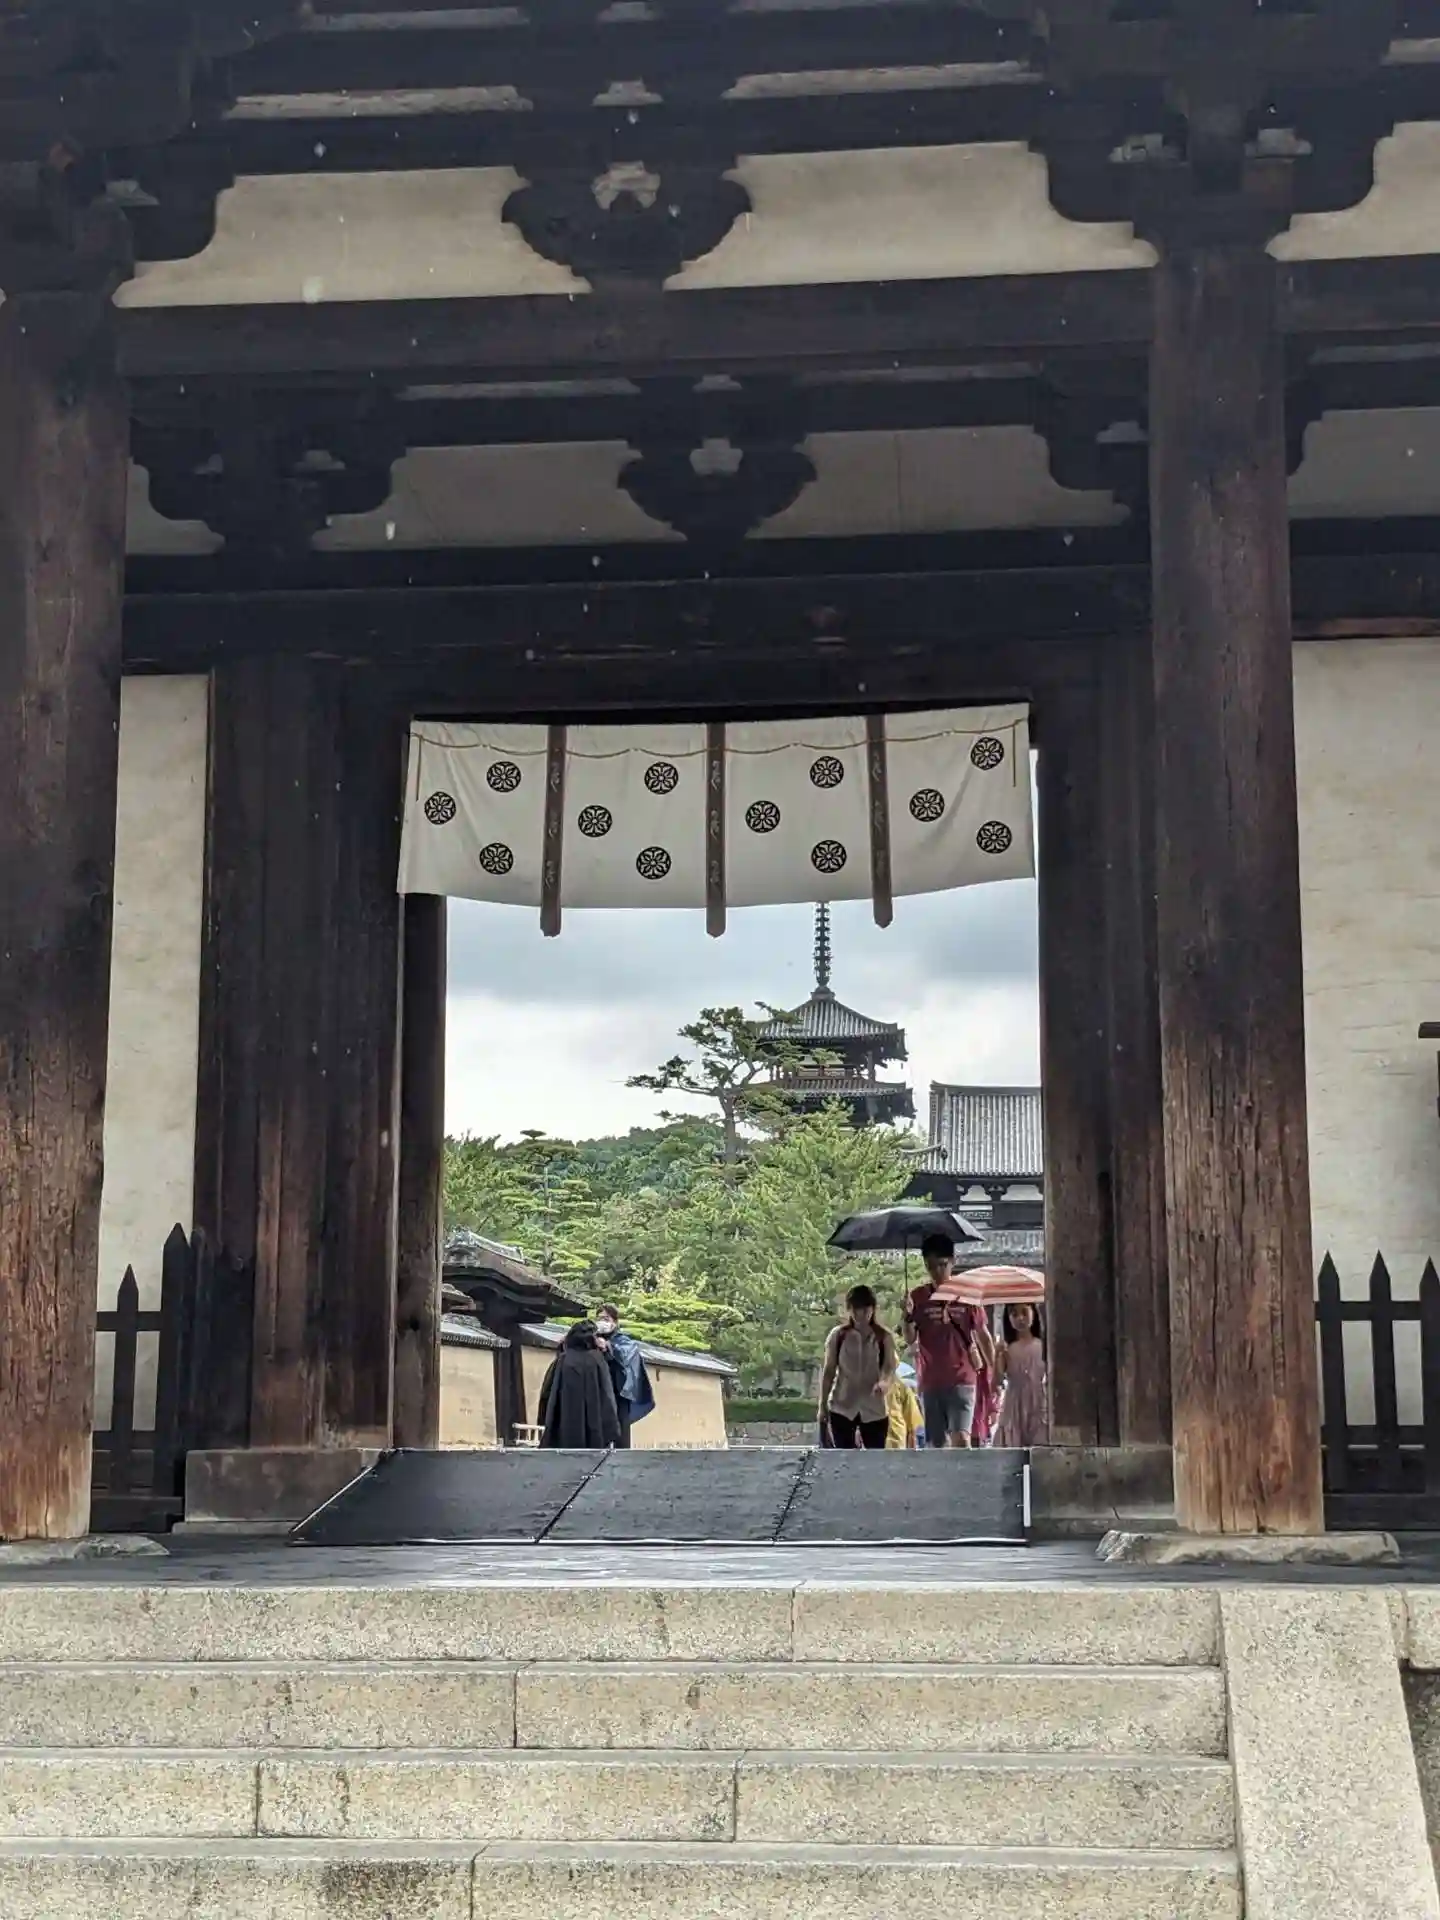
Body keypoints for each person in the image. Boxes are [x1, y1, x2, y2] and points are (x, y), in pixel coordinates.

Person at [903, 1233, 996, 1448]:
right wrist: (907, 1316)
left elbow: (983, 1335)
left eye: (942, 1265)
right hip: (930, 1379)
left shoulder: (967, 1295)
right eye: (930, 1266)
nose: (937, 1272)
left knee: (961, 1439)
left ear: (953, 1261)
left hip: (962, 1377)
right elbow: (910, 1338)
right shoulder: (918, 1297)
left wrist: (993, 1372)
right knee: (936, 1444)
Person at [818, 1283, 898, 1450]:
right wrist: (822, 1405)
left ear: (873, 1309)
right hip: (842, 1405)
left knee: (875, 1458)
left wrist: (884, 1383)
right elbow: (829, 1371)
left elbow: (889, 1367)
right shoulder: (838, 1336)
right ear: (849, 1309)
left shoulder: (884, 1337)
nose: (860, 1314)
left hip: (874, 1408)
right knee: (843, 1457)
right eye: (855, 1309)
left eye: (865, 1309)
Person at [537, 1320, 621, 1448]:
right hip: (595, 1433)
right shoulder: (597, 1360)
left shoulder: (563, 1360)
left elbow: (547, 1393)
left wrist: (545, 1420)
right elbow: (607, 1396)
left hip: (564, 1429)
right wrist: (612, 1429)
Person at [595, 1303, 655, 1449]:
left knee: (620, 1434)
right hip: (598, 1393)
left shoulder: (624, 1342)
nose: (602, 1322)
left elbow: (625, 1355)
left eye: (606, 1318)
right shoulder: (592, 1339)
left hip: (618, 1394)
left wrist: (607, 1346)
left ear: (615, 1322)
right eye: (599, 1318)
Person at [994, 1301, 1049, 1448]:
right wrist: (997, 1355)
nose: (1020, 1318)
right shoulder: (1007, 1348)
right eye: (1014, 1314)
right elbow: (997, 1380)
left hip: (1038, 1398)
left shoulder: (1043, 1345)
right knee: (1013, 1441)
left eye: (1024, 1312)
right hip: (1014, 1401)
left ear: (1033, 1313)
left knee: (1039, 1442)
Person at [885, 1367, 924, 1450]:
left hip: (895, 1442)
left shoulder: (901, 1386)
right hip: (879, 1441)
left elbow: (912, 1424)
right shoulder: (901, 1385)